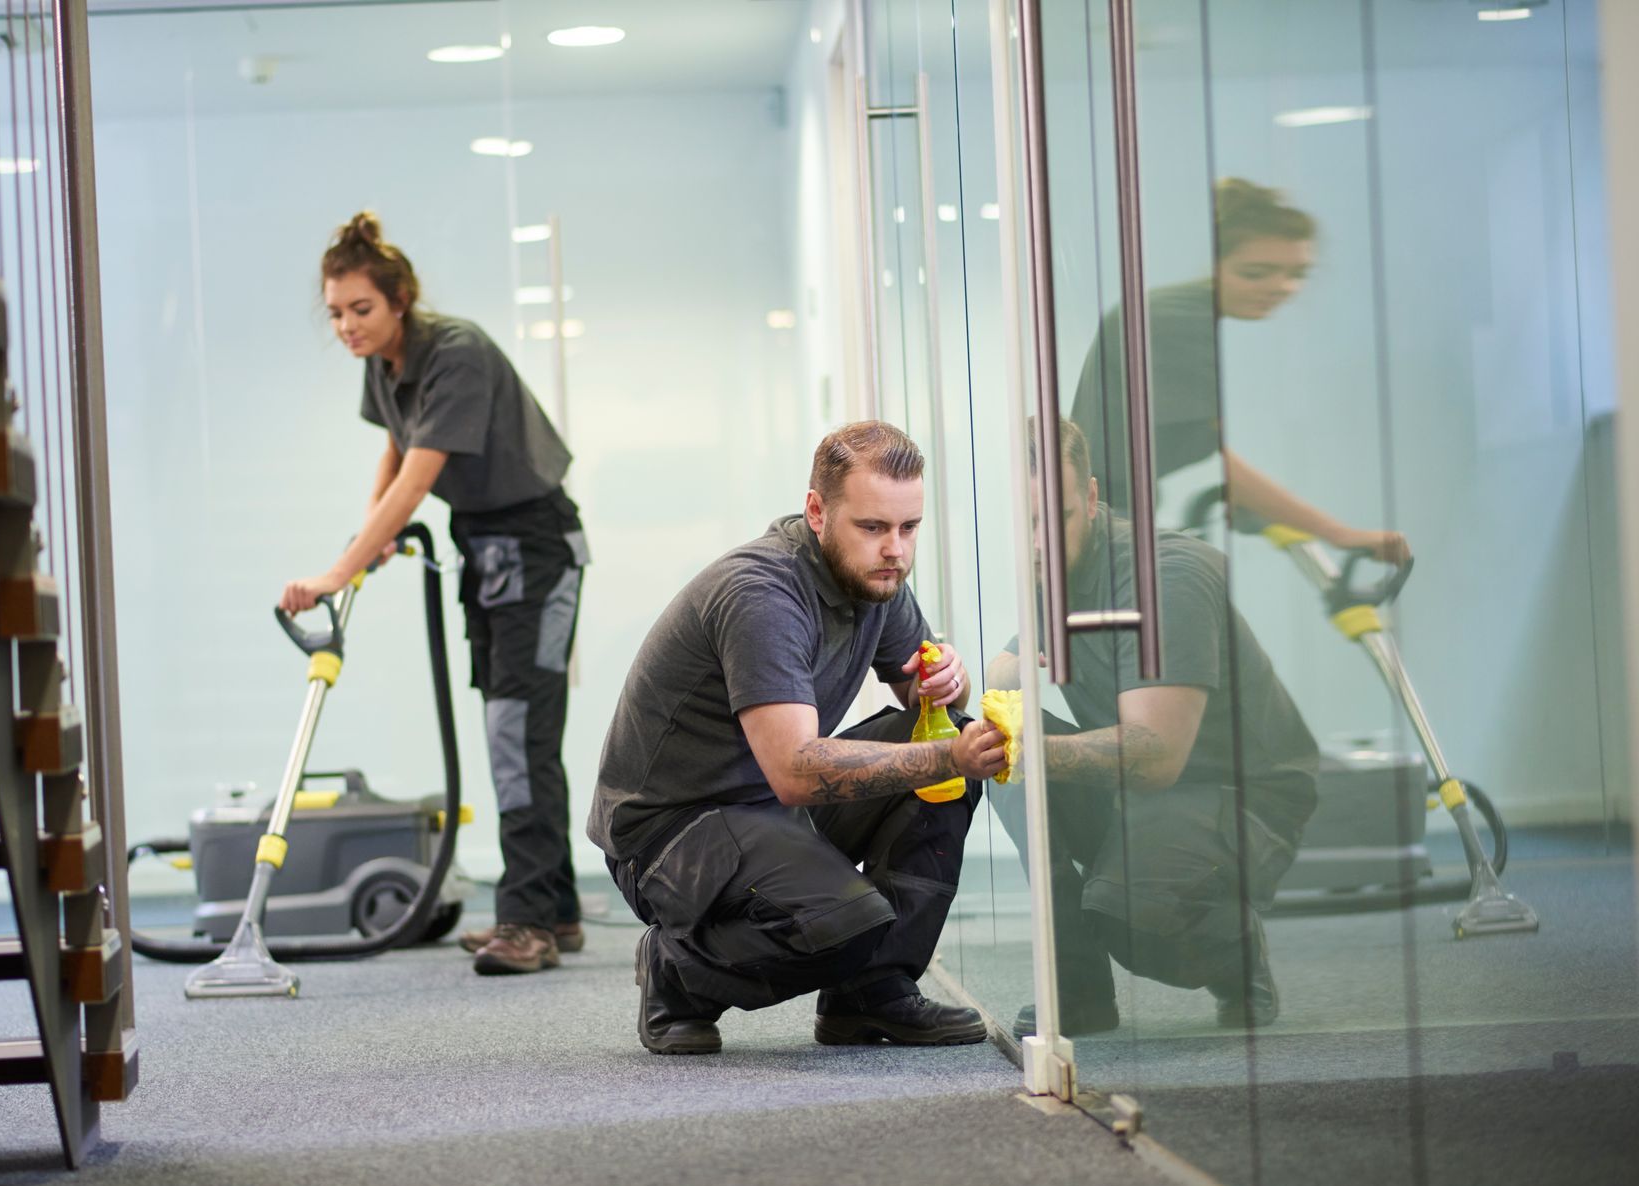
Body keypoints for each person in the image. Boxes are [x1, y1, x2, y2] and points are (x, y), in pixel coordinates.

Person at [587, 421, 1012, 1055]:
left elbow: (919, 704)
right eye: (872, 527)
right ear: (817, 511)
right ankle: (677, 969)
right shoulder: (762, 593)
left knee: (942, 760)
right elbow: (794, 769)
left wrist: (948, 682)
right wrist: (949, 753)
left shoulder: (876, 575)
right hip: (670, 836)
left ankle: (872, 995)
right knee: (850, 919)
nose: (895, 549)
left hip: (764, 811)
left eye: (909, 527)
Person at [280, 211, 589, 978]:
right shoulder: (385, 362)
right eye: (337, 314)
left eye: (362, 310)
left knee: (517, 731)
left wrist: (338, 569)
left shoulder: (456, 352)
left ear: (401, 299)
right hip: (485, 548)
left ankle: (528, 922)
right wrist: (371, 534)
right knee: (511, 727)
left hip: (539, 548)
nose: (348, 326)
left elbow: (420, 476)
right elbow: (394, 445)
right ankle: (554, 907)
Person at [989, 420, 1319, 1036]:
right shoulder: (1054, 563)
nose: (1038, 544)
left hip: (1239, 797)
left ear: (1091, 498)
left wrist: (1023, 747)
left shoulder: (1166, 578)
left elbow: (1158, 756)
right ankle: (1077, 993)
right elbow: (1004, 670)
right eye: (1024, 524)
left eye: (1054, 519)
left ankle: (1236, 950)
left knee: (1127, 917)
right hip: (1140, 792)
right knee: (1004, 744)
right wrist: (1003, 693)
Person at [1071, 177, 1409, 565]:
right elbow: (1220, 461)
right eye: (1255, 272)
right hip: (1103, 536)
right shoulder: (1173, 319)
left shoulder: (1188, 313)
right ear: (1216, 263)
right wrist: (1340, 534)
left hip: (1117, 524)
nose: (1281, 287)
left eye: (1297, 274)